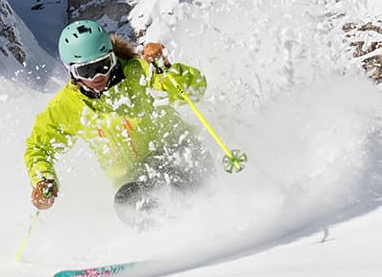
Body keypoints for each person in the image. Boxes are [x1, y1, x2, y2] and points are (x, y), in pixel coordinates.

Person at [23, 19, 238, 228]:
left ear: (112, 57)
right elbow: (38, 147)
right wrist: (44, 180)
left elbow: (196, 89)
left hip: (181, 153)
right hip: (138, 180)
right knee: (126, 202)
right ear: (71, 71)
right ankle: (170, 239)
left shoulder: (138, 71)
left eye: (104, 65)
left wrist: (165, 68)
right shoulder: (67, 106)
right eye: (86, 71)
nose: (98, 76)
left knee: (172, 186)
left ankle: (213, 221)